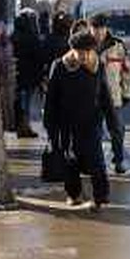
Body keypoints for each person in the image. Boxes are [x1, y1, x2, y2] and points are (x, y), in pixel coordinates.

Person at [43, 23, 114, 210]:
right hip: (67, 123)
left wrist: (112, 120)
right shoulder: (59, 66)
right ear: (72, 50)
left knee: (96, 160)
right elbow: (50, 99)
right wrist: (50, 127)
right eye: (79, 52)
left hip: (91, 122)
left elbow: (105, 96)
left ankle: (101, 197)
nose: (82, 56)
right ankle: (73, 194)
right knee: (70, 161)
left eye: (87, 52)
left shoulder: (97, 66)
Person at [89, 13, 130, 174]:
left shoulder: (117, 45)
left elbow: (128, 71)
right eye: (95, 29)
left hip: (113, 97)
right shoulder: (85, 46)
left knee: (117, 131)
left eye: (101, 28)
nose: (98, 32)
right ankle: (98, 162)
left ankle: (119, 160)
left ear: (106, 28)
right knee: (95, 132)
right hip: (91, 98)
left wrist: (127, 93)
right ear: (90, 29)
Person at [11, 8, 44, 138]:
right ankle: (25, 127)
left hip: (16, 75)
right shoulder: (32, 37)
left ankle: (21, 126)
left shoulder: (14, 36)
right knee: (26, 102)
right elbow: (38, 56)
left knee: (20, 102)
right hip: (29, 75)